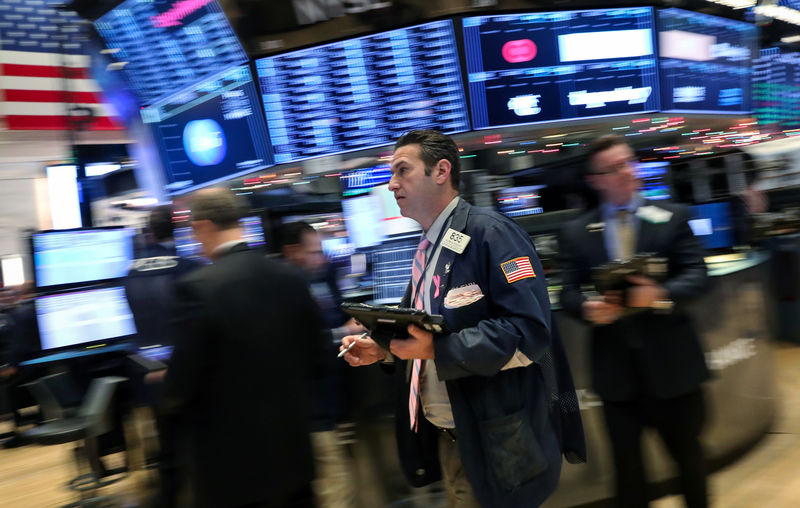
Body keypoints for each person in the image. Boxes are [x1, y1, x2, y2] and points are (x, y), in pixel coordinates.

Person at [341, 130, 584, 508]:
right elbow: (423, 332)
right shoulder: (430, 247)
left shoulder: (493, 233)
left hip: (497, 438)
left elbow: (529, 331)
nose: (391, 185)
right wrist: (383, 348)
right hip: (456, 435)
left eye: (402, 171)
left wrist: (440, 347)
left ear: (441, 171)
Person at [558, 135, 710, 508]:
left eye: (628, 162)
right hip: (617, 377)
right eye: (613, 168)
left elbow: (698, 275)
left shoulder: (672, 217)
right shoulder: (577, 232)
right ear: (595, 179)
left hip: (674, 368)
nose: (626, 172)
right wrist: (589, 307)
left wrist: (659, 294)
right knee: (628, 473)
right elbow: (568, 292)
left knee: (689, 461)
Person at [160, 188, 326, 508]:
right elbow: (316, 362)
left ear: (204, 226)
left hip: (233, 476)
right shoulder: (289, 277)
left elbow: (180, 392)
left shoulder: (197, 289)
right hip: (295, 462)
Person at [278, 221, 361, 508]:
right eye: (312, 252)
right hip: (310, 412)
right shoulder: (282, 290)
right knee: (337, 492)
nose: (320, 258)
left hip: (334, 404)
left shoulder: (322, 276)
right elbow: (299, 343)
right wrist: (343, 333)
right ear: (291, 251)